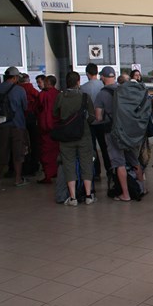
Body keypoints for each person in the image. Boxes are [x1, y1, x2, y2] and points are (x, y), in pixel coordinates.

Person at [95, 66, 144, 202]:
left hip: (112, 132)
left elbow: (98, 117)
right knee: (134, 160)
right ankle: (142, 188)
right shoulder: (123, 89)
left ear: (103, 77)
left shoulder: (102, 94)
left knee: (119, 162)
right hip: (127, 131)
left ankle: (125, 194)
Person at [54, 71, 96, 206]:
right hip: (84, 135)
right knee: (86, 163)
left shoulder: (60, 97)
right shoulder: (85, 97)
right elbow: (92, 117)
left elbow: (55, 113)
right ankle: (88, 195)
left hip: (66, 137)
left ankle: (73, 197)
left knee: (68, 165)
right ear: (78, 82)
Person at [0, 66, 29, 187]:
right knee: (18, 153)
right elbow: (25, 106)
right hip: (18, 124)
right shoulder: (20, 90)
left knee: (1, 152)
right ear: (15, 77)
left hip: (1, 125)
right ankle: (18, 179)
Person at [81, 63, 109, 181]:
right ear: (97, 72)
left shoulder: (83, 88)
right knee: (105, 147)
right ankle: (110, 171)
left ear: (87, 74)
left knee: (92, 149)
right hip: (103, 121)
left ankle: (96, 172)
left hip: (90, 122)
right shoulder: (103, 85)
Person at [36, 75, 60, 184]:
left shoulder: (43, 95)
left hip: (45, 127)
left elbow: (37, 108)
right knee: (56, 151)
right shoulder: (58, 94)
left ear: (48, 83)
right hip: (57, 127)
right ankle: (55, 171)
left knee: (46, 152)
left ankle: (48, 175)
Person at [18, 73, 40, 176]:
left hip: (20, 118)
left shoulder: (17, 89)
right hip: (31, 117)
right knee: (34, 142)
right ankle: (34, 165)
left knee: (23, 143)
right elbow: (39, 99)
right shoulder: (31, 88)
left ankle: (24, 166)